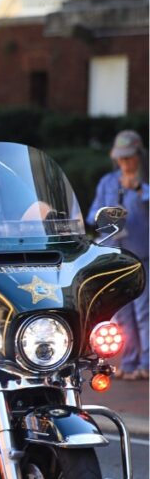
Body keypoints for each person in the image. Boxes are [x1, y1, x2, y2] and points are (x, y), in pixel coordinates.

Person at [87, 130, 149, 380]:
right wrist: (107, 215)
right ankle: (130, 362)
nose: (125, 164)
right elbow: (92, 215)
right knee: (122, 313)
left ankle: (146, 362)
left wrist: (139, 192)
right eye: (121, 159)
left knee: (144, 311)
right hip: (116, 258)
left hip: (143, 256)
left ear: (139, 156)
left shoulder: (145, 184)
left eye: (129, 158)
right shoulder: (108, 182)